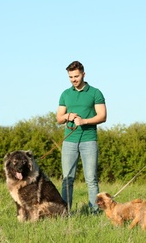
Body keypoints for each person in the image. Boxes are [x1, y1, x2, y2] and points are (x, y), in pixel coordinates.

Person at [56, 60, 107, 214]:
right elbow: (58, 118)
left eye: (76, 76)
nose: (74, 80)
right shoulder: (65, 94)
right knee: (67, 179)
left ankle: (94, 211)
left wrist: (84, 121)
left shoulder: (95, 93)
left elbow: (103, 116)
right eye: (71, 77)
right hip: (69, 141)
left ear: (83, 74)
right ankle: (65, 212)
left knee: (91, 179)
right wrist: (68, 116)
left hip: (89, 140)